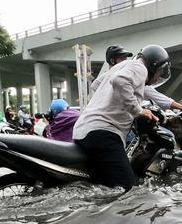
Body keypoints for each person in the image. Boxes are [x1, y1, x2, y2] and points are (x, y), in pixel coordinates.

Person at [72, 44, 171, 191]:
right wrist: (138, 110)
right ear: (154, 65)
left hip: (84, 131)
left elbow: (96, 84)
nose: (157, 78)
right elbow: (120, 81)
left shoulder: (122, 66)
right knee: (128, 190)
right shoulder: (140, 68)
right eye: (159, 72)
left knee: (102, 186)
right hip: (104, 132)